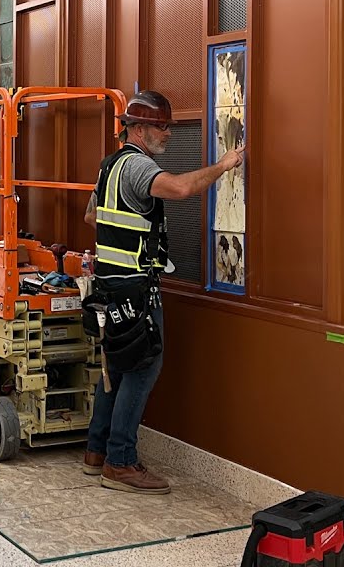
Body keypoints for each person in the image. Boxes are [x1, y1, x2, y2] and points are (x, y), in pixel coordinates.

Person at [82, 91, 245, 494]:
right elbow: (179, 189)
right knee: (143, 367)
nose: (167, 134)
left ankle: (96, 452)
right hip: (136, 290)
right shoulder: (137, 165)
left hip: (111, 285)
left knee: (117, 369)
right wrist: (224, 164)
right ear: (137, 128)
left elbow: (91, 216)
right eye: (161, 126)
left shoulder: (109, 168)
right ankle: (120, 463)